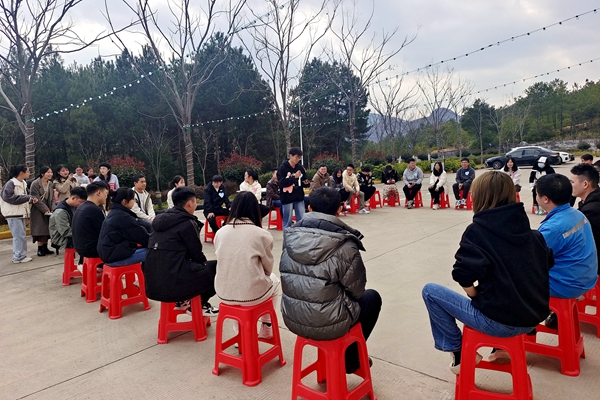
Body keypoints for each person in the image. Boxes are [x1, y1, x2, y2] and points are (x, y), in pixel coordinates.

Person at [422, 171, 553, 373]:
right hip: (532, 320)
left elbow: (463, 275)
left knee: (430, 291)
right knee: (503, 292)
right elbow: (548, 263)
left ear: (481, 197)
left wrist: (475, 295)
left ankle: (458, 351)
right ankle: (501, 348)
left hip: (500, 323)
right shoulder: (533, 235)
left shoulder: (478, 232)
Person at [280, 187, 382, 373]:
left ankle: (347, 356)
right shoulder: (345, 243)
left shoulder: (290, 236)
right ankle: (350, 358)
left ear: (309, 208)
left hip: (293, 317)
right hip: (328, 323)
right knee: (372, 298)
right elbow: (357, 290)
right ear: (339, 210)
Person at [214, 191, 281, 339]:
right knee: (275, 281)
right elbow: (268, 269)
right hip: (252, 296)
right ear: (255, 209)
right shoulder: (261, 234)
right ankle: (267, 326)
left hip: (223, 293)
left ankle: (239, 335)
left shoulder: (220, 233)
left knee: (236, 286)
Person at [144, 187, 219, 316]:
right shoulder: (187, 222)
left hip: (153, 284)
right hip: (173, 284)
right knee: (216, 267)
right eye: (195, 202)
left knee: (179, 262)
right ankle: (200, 303)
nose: (196, 205)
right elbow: (196, 254)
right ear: (189, 203)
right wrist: (205, 267)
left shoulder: (160, 220)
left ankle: (182, 301)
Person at [536, 174, 597, 302]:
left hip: (566, 285)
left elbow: (532, 257)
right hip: (586, 278)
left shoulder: (553, 228)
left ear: (545, 199)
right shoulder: (577, 213)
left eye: (537, 194)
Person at [97, 188, 149, 266]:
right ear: (124, 201)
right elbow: (143, 238)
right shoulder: (123, 217)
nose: (134, 202)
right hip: (115, 258)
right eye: (133, 199)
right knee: (157, 250)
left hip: (109, 254)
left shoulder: (114, 213)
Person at [0, 165, 37, 263]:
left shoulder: (23, 183)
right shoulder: (11, 183)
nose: (29, 173)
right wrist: (26, 198)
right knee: (18, 236)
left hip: (20, 213)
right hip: (13, 214)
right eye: (28, 171)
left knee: (21, 235)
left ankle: (21, 255)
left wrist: (29, 199)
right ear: (21, 173)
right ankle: (18, 256)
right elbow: (8, 197)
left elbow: (23, 197)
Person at [570, 164, 600, 274]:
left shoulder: (591, 211)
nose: (570, 186)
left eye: (572, 182)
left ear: (585, 184)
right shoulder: (589, 203)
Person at [72, 181, 109, 259]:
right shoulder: (95, 210)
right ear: (99, 193)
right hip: (92, 250)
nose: (107, 196)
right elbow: (104, 233)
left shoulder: (80, 207)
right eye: (106, 193)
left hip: (80, 248)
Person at [277, 147, 310, 228]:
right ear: (290, 156)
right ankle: (287, 235)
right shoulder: (282, 168)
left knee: (301, 219)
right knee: (287, 221)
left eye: (299, 158)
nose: (298, 159)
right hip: (287, 197)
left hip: (299, 196)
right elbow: (281, 183)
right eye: (296, 157)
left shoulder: (300, 167)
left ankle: (300, 234)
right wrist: (294, 177)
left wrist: (306, 182)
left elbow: (304, 178)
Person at [49, 187, 87, 255]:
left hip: (70, 234)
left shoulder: (73, 206)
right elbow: (65, 232)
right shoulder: (60, 212)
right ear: (73, 198)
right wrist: (84, 233)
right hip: (61, 238)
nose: (82, 204)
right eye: (81, 202)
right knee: (89, 242)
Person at [30, 166, 56, 257]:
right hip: (38, 209)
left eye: (51, 172)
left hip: (49, 209)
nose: (50, 174)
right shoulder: (35, 183)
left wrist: (52, 208)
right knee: (40, 229)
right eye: (48, 172)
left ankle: (45, 247)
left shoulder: (50, 184)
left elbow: (52, 198)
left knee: (47, 229)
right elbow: (35, 198)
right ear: (42, 174)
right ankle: (40, 248)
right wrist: (45, 209)